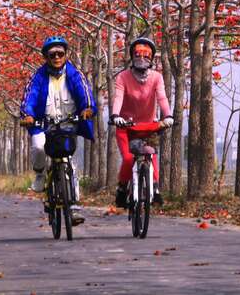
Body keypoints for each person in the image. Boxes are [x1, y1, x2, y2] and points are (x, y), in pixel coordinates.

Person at [20, 36, 96, 225]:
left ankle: (74, 205)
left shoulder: (74, 74)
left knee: (72, 164)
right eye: (52, 54)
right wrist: (28, 114)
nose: (56, 57)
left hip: (69, 123)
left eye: (60, 54)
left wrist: (87, 108)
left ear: (66, 55)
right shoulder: (38, 77)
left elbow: (84, 92)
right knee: (38, 147)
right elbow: (30, 97)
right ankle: (40, 174)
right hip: (44, 125)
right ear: (46, 56)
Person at [111, 37, 173, 207]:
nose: (142, 58)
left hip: (148, 126)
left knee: (150, 153)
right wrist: (115, 115)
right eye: (138, 54)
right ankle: (122, 189)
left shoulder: (157, 77)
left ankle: (155, 188)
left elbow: (162, 97)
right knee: (129, 159)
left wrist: (168, 116)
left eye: (146, 55)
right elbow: (118, 98)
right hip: (126, 126)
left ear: (152, 58)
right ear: (132, 56)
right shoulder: (123, 77)